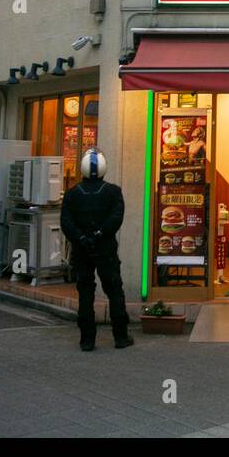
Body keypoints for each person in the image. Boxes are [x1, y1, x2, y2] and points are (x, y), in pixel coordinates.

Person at [61, 148, 133, 352]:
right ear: (103, 168)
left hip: (81, 250)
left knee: (85, 293)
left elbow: (66, 222)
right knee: (114, 291)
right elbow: (116, 218)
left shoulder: (73, 193)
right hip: (106, 249)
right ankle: (120, 336)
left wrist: (81, 238)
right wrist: (100, 234)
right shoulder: (113, 191)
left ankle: (87, 340)